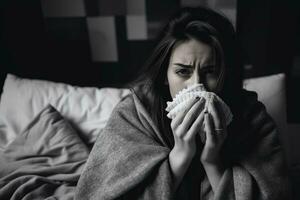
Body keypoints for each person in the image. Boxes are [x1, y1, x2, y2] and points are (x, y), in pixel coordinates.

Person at [75, 6, 291, 200]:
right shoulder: (134, 113)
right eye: (182, 72)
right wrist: (180, 154)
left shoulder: (251, 116)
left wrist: (213, 160)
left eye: (210, 72)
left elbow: (276, 193)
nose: (196, 85)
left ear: (225, 75)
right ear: (164, 75)